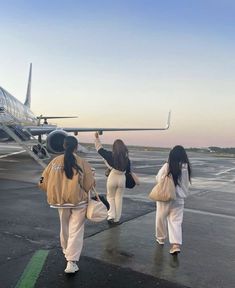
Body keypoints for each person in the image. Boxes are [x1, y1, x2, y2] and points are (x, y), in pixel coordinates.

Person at [38, 136, 95, 273]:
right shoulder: (82, 162)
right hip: (78, 201)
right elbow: (88, 184)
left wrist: (54, 191)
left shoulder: (54, 162)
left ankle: (66, 251)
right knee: (76, 230)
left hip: (60, 201)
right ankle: (71, 261)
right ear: (76, 147)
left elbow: (42, 181)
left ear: (64, 146)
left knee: (64, 227)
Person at [155, 145, 191, 255]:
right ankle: (175, 245)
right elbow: (186, 184)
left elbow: (158, 177)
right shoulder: (185, 167)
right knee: (176, 221)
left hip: (165, 197)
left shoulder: (167, 166)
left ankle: (160, 238)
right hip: (179, 199)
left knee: (160, 218)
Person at [94, 132, 131, 224]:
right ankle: (117, 219)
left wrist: (97, 138)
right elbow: (129, 171)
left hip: (113, 176)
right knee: (119, 198)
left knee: (110, 197)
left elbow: (99, 149)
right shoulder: (127, 159)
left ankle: (111, 215)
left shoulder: (111, 155)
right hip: (122, 178)